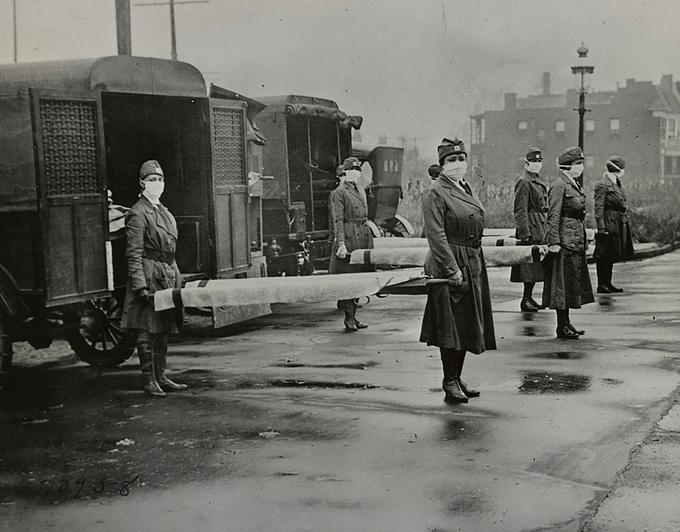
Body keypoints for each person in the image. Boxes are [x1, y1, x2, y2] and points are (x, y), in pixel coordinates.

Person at [420, 138, 496, 403]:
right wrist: (452, 269)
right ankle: (448, 380)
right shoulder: (436, 192)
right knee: (449, 326)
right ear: (442, 165)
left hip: (471, 259)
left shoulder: (464, 187)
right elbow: (436, 234)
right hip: (449, 262)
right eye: (452, 160)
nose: (458, 164)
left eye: (461, 159)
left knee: (465, 323)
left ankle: (457, 376)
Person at [121, 160, 187, 397]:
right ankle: (149, 379)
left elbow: (170, 248)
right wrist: (139, 284)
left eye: (159, 179)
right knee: (147, 330)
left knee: (163, 328)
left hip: (166, 273)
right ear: (142, 183)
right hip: (149, 275)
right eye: (151, 180)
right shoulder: (137, 213)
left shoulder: (164, 211)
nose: (156, 184)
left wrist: (176, 277)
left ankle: (161, 376)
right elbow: (134, 253)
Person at [542, 147, 594, 339]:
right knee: (561, 286)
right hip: (564, 242)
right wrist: (554, 242)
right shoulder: (559, 185)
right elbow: (553, 215)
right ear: (567, 167)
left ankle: (566, 323)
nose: (580, 167)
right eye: (577, 164)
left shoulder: (572, 184)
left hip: (574, 240)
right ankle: (561, 326)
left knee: (570, 284)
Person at [329, 157, 374, 331]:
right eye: (352, 170)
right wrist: (341, 243)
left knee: (361, 278)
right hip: (349, 236)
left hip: (362, 235)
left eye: (358, 170)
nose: (355, 173)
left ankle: (354, 317)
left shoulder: (359, 189)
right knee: (350, 278)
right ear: (345, 172)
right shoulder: (339, 192)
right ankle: (348, 318)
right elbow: (338, 220)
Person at [511, 147, 548, 312]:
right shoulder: (524, 181)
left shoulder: (536, 180)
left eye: (539, 161)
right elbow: (520, 209)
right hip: (531, 226)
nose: (537, 164)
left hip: (540, 225)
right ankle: (525, 299)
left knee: (535, 267)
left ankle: (529, 298)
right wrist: (524, 232)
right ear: (526, 163)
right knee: (528, 267)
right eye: (534, 161)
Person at [593, 156, 634, 293]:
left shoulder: (616, 182)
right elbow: (598, 208)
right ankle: (601, 284)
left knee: (611, 254)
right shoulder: (603, 184)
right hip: (608, 220)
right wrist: (601, 227)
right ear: (617, 169)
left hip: (617, 221)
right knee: (604, 254)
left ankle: (608, 283)